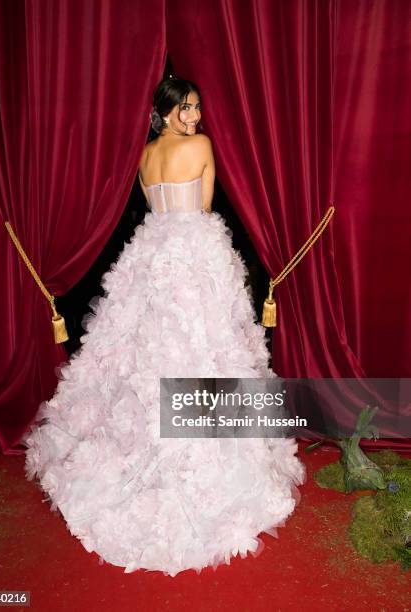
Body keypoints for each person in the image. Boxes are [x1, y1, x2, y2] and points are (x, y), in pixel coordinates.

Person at [24, 77, 305, 577]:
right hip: (194, 254)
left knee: (141, 348)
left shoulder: (145, 155)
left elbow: (154, 207)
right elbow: (203, 206)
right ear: (165, 111)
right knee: (207, 345)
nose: (194, 117)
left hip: (150, 255)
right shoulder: (200, 147)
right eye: (186, 109)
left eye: (197, 108)